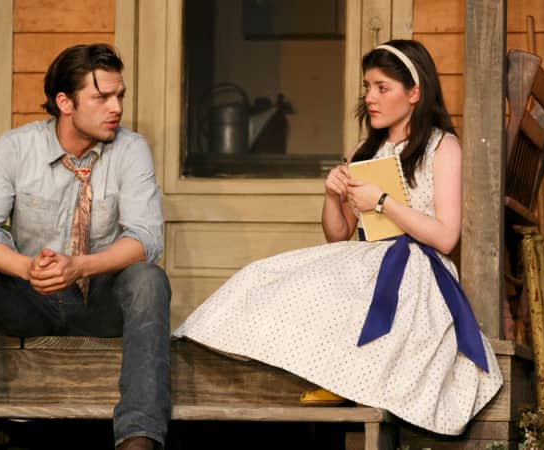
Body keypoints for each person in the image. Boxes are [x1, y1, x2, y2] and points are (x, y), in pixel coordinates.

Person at [172, 39, 503, 436]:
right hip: (366, 254)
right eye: (368, 87)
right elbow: (340, 234)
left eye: (383, 88)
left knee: (357, 294)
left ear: (414, 93)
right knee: (269, 274)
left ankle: (352, 378)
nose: (371, 98)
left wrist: (382, 202)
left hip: (417, 265)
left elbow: (446, 237)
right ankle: (298, 366)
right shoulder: (365, 150)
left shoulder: (441, 146)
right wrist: (332, 195)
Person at [0, 43, 171, 450]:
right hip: (30, 300)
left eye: (120, 95)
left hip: (99, 301)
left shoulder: (131, 149)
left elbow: (146, 238)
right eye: (102, 97)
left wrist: (79, 266)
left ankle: (138, 439)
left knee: (149, 279)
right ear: (65, 102)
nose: (116, 107)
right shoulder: (16, 146)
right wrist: (26, 269)